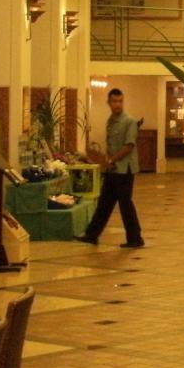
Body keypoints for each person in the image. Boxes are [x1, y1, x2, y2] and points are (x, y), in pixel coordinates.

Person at [76, 88, 145, 248]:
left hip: (124, 170)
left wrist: (112, 160)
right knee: (105, 203)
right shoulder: (110, 121)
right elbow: (111, 145)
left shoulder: (129, 122)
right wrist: (107, 161)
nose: (118, 104)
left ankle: (135, 238)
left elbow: (129, 146)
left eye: (120, 101)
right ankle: (92, 235)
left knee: (125, 204)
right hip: (112, 170)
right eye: (114, 101)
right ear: (109, 102)